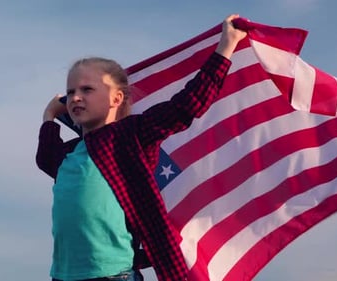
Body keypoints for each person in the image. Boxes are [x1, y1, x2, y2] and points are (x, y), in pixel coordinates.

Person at [36, 14, 247, 281]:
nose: (75, 97)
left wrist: (225, 47)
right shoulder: (69, 154)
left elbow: (186, 106)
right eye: (70, 91)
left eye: (87, 89)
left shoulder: (130, 136)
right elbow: (45, 159)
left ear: (117, 98)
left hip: (113, 276)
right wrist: (48, 117)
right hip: (63, 276)